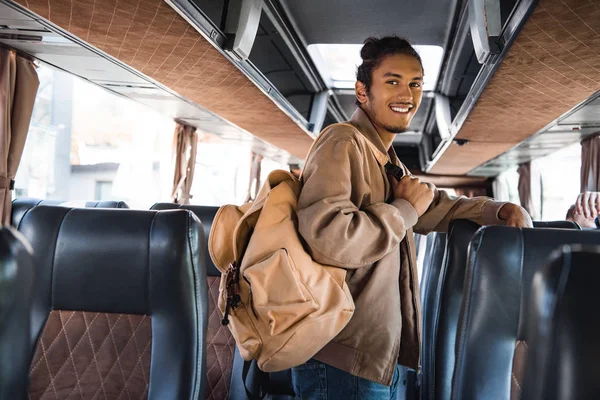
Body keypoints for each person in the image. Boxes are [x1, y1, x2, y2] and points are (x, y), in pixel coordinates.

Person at [294, 36, 532, 399]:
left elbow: (433, 206)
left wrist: (497, 210)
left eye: (415, 83)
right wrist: (404, 210)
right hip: (341, 358)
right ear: (362, 91)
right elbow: (329, 238)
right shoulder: (342, 143)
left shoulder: (384, 157)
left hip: (373, 356)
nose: (407, 93)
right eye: (393, 81)